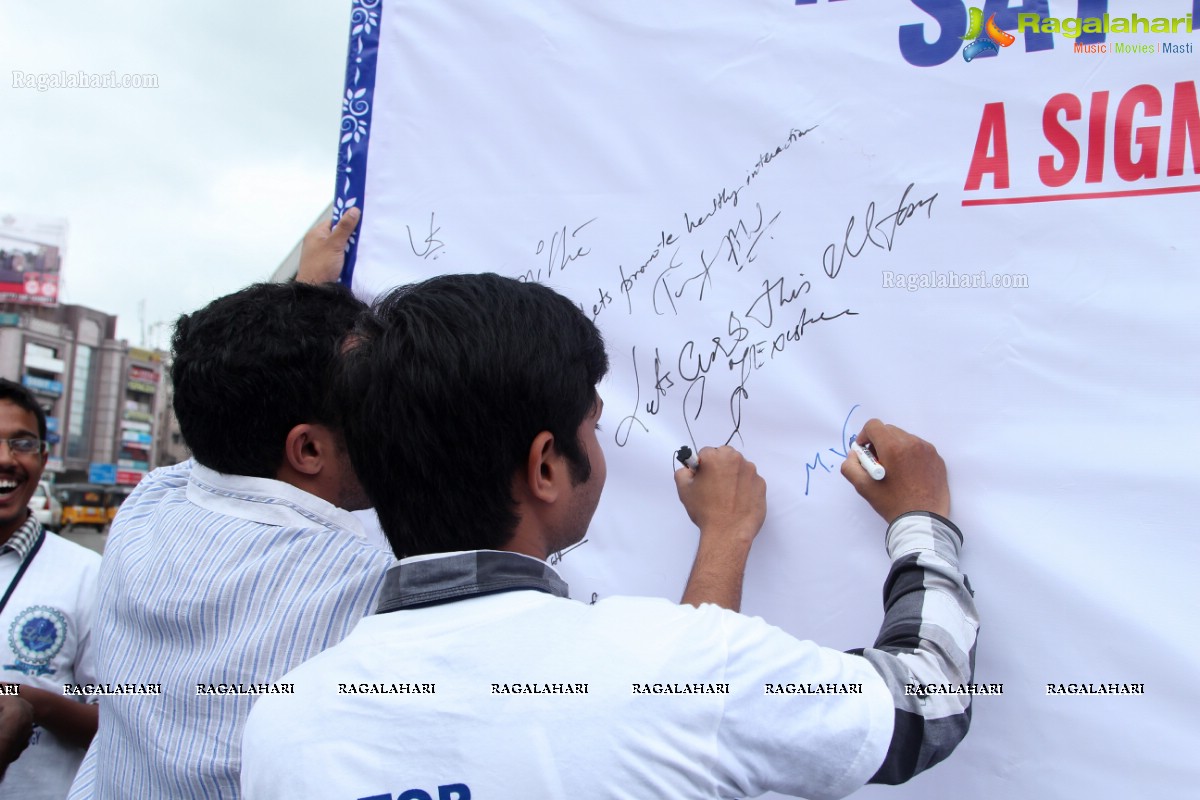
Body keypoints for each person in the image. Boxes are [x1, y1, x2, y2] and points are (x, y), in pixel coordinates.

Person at [240, 273, 979, 799]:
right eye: (593, 427)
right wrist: (923, 521)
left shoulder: (283, 722)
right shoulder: (676, 669)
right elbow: (929, 700)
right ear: (546, 467)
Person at [66, 210, 397, 799]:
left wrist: (308, 297)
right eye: (375, 404)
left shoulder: (148, 508)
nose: (392, 421)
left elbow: (239, 400)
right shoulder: (370, 583)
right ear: (309, 448)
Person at [0, 379, 100, 799]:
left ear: (43, 458)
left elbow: (116, 715)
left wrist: (32, 703)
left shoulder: (89, 575)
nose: (5, 459)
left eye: (21, 443)